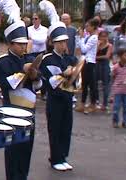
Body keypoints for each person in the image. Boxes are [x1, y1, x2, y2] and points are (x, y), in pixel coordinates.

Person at [0, 20, 42, 180]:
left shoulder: (29, 58)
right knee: (13, 151)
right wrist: (23, 70)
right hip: (12, 111)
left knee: (27, 149)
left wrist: (35, 76)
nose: (23, 47)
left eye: (24, 44)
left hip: (29, 111)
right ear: (10, 43)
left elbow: (41, 84)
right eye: (19, 44)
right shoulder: (1, 62)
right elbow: (6, 84)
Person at [40, 21, 76, 171]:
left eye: (65, 42)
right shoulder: (47, 59)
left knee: (66, 128)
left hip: (68, 98)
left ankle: (63, 156)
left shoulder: (70, 59)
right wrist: (63, 74)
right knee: (55, 128)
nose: (63, 45)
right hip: (55, 99)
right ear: (53, 43)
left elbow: (76, 80)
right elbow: (49, 82)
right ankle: (55, 158)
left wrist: (74, 74)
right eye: (60, 42)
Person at [75, 18, 99, 114]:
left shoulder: (94, 38)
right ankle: (83, 103)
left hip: (90, 62)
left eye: (88, 26)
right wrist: (80, 38)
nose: (86, 27)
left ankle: (93, 104)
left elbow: (84, 49)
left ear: (93, 27)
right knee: (84, 84)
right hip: (84, 61)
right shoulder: (88, 36)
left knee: (91, 84)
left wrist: (81, 38)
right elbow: (80, 47)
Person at [111, 48, 126, 129]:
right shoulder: (116, 67)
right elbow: (113, 76)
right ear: (120, 56)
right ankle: (115, 121)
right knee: (116, 107)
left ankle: (125, 122)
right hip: (118, 90)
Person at [96, 31, 113, 111]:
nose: (103, 38)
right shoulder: (98, 44)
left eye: (105, 36)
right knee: (95, 83)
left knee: (105, 84)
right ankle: (96, 101)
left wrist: (97, 57)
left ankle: (105, 103)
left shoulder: (109, 45)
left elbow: (107, 56)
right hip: (97, 66)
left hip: (105, 65)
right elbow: (94, 53)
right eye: (102, 36)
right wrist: (98, 46)